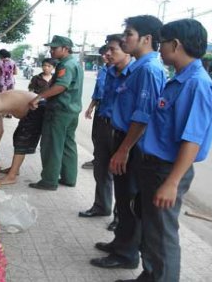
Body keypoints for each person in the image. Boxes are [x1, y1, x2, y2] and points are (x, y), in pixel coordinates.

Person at [117, 19, 212, 282]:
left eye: (162, 43)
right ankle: (150, 275)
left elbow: (192, 140)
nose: (159, 49)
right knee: (151, 229)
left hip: (167, 170)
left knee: (163, 235)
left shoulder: (196, 83)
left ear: (176, 44)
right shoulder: (178, 80)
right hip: (153, 166)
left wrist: (172, 182)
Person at [91, 15, 166, 270]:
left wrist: (124, 149)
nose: (124, 39)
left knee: (130, 200)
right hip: (123, 139)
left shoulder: (148, 69)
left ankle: (126, 254)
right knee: (123, 198)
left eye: (129, 34)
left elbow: (143, 116)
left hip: (133, 145)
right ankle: (120, 242)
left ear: (146, 39)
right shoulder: (138, 67)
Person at [79, 35, 133, 237]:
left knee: (120, 174)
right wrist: (93, 109)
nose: (106, 54)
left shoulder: (136, 73)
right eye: (106, 51)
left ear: (126, 50)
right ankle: (101, 205)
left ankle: (120, 216)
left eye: (112, 50)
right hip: (102, 122)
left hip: (121, 129)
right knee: (101, 167)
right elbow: (100, 94)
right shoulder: (108, 71)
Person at [28, 35, 83, 191]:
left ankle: (49, 180)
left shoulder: (66, 65)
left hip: (59, 111)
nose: (51, 51)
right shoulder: (74, 63)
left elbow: (61, 86)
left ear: (65, 49)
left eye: (54, 48)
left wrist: (39, 97)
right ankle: (69, 177)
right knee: (67, 144)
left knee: (52, 145)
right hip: (71, 111)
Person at [0, 58, 58, 185]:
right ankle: (14, 170)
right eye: (44, 65)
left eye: (49, 66)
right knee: (19, 138)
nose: (46, 68)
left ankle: (12, 175)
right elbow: (30, 92)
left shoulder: (56, 80)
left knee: (23, 139)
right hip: (32, 110)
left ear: (53, 68)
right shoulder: (36, 78)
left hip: (43, 112)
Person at [81, 45, 110, 170]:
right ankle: (97, 158)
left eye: (106, 53)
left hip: (109, 110)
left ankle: (104, 160)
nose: (104, 57)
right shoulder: (103, 70)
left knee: (106, 137)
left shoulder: (117, 71)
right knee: (96, 135)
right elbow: (97, 90)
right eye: (102, 54)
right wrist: (90, 107)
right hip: (99, 107)